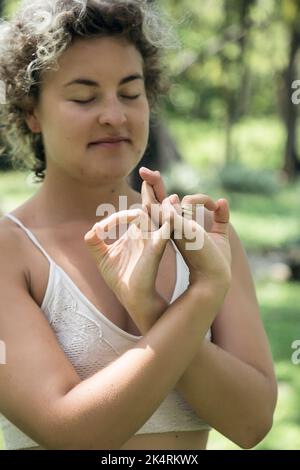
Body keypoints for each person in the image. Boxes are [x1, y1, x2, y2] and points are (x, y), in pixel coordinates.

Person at [0, 0, 277, 451]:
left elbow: (252, 423)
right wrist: (200, 297)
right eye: (84, 97)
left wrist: (151, 309)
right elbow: (71, 431)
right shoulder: (10, 251)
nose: (114, 115)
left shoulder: (204, 234)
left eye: (130, 92)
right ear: (32, 111)